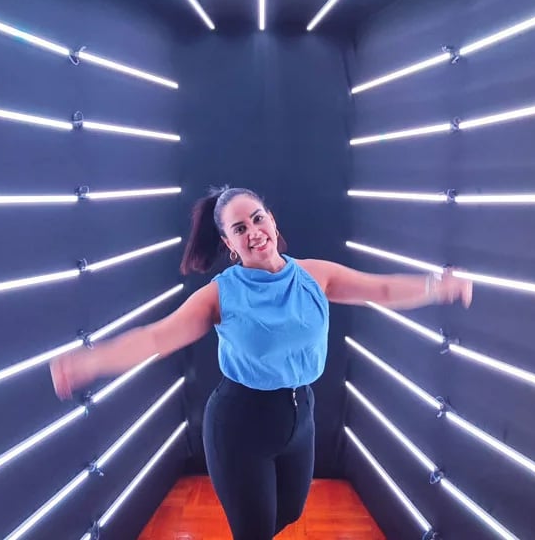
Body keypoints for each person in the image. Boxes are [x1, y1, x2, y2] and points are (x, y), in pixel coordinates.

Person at [50, 185, 472, 540]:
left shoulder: (314, 275)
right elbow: (157, 337)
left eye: (257, 219)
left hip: (300, 413)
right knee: (253, 532)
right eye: (239, 228)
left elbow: (381, 290)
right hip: (239, 425)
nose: (253, 232)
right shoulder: (219, 295)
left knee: (289, 512)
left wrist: (438, 286)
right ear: (228, 243)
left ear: (271, 219)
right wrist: (93, 361)